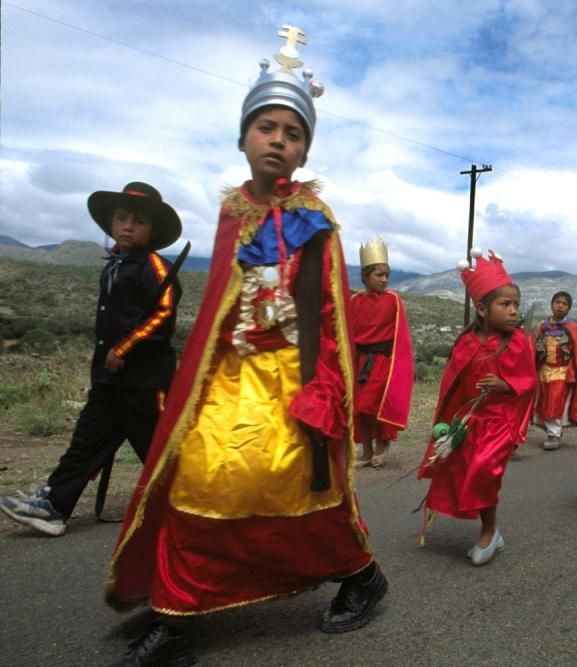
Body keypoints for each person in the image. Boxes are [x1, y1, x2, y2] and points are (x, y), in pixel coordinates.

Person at [104, 28, 386, 665]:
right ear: (243, 137)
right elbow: (216, 314)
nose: (279, 139)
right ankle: (178, 610)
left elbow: (326, 316)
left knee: (299, 491)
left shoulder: (315, 222)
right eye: (267, 127)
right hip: (230, 375)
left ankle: (361, 574)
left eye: (293, 132)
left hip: (291, 375)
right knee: (196, 479)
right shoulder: (233, 214)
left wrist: (326, 391)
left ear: (304, 149)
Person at [0, 183, 182, 537]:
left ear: (153, 229)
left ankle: (193, 511)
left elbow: (162, 314)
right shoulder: (114, 265)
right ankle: (53, 507)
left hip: (144, 383)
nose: (128, 225)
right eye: (121, 218)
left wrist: (123, 348)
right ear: (111, 224)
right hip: (109, 380)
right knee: (85, 444)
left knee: (161, 452)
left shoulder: (156, 267)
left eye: (139, 220)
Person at [417, 248, 536, 565]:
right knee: (465, 473)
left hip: (499, 423)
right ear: (482, 309)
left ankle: (490, 530)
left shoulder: (520, 341)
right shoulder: (467, 341)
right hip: (468, 423)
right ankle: (488, 527)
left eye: (516, 305)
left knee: (485, 471)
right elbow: (452, 385)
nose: (513, 311)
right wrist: (448, 422)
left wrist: (504, 385)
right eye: (505, 304)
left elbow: (528, 381)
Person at [351, 235, 414, 468]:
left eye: (386, 275)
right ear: (365, 276)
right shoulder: (355, 301)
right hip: (361, 362)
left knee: (374, 406)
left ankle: (382, 445)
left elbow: (402, 336)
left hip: (383, 362)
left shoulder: (393, 300)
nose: (384, 279)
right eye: (379, 275)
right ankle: (366, 451)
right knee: (360, 409)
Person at [533, 291, 577, 450]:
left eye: (564, 304)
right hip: (544, 371)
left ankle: (554, 435)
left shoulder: (571, 328)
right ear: (552, 304)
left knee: (555, 403)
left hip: (562, 372)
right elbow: (536, 348)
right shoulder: (544, 325)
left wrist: (573, 373)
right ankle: (552, 431)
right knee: (544, 402)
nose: (560, 306)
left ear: (568, 308)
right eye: (558, 302)